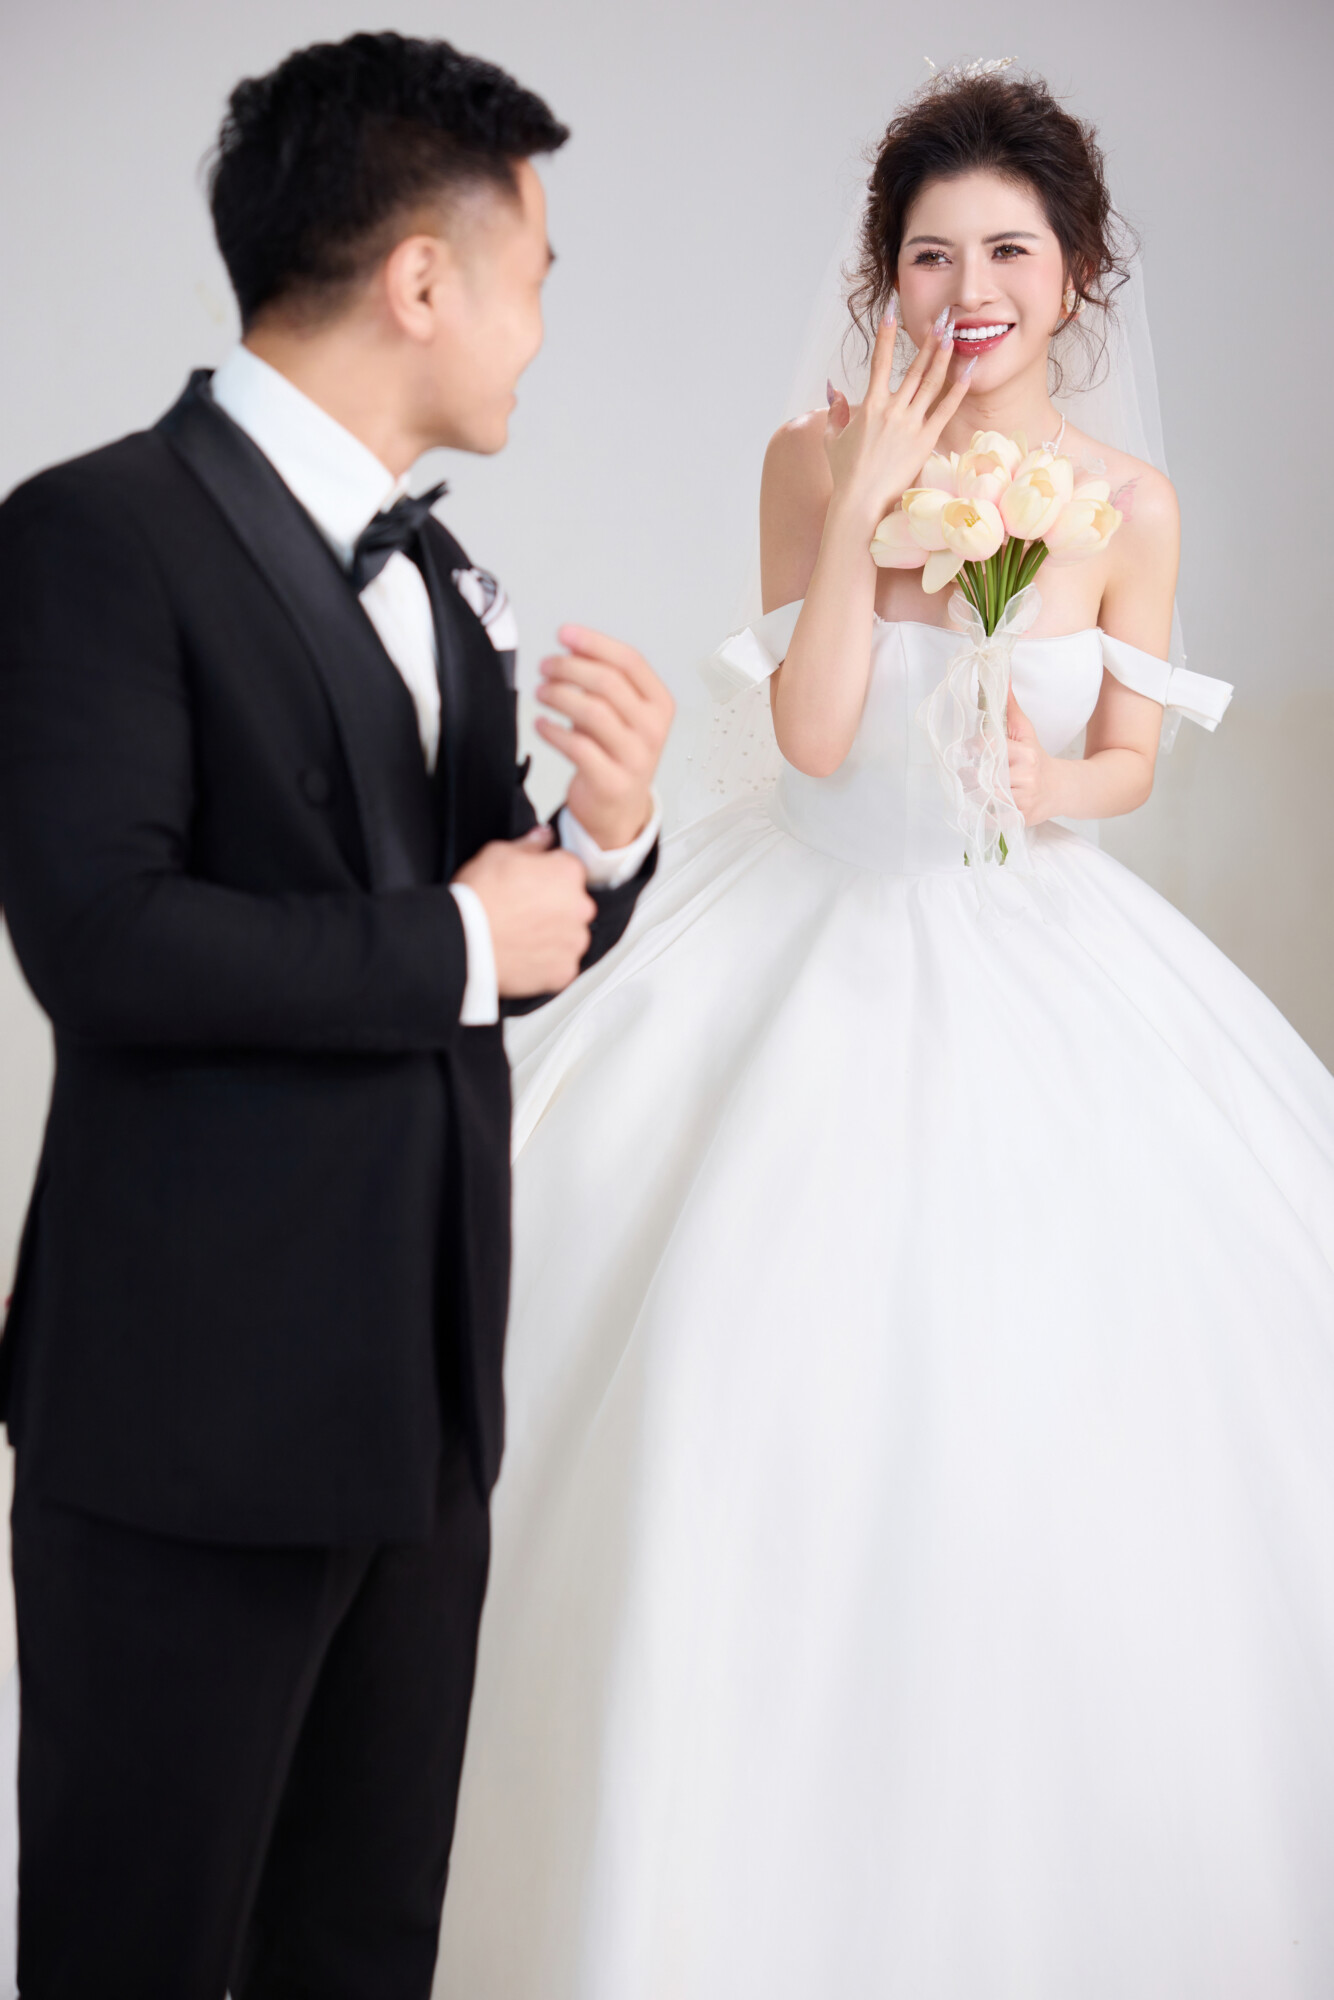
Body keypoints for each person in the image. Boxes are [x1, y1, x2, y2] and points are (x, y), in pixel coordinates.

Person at [436, 66, 1334, 1998]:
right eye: (928, 256)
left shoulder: (1128, 505)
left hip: (1033, 939)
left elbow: (1124, 764)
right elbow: (816, 734)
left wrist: (1044, 776)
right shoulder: (807, 458)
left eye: (1006, 251)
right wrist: (861, 505)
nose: (967, 290)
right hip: (812, 910)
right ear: (884, 277)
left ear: (1075, 272)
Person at [0, 30, 670, 1997]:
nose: (541, 328)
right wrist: (459, 935)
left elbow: (487, 919)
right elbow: (101, 938)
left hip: (418, 1400)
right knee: (138, 1948)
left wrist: (602, 838)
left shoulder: (436, 567)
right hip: (193, 1413)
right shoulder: (89, 533)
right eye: (534, 273)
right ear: (422, 279)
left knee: (365, 1947)